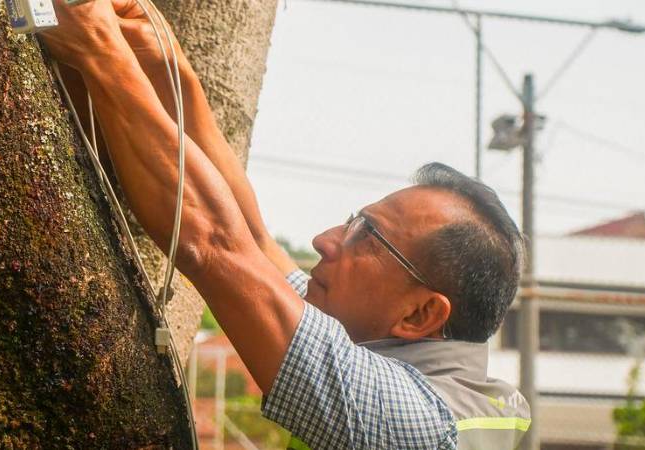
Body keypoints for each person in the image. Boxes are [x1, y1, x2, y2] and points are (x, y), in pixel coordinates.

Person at [39, 2, 532, 449]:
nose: (324, 241)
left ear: (421, 314)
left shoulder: (416, 428)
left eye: (367, 236)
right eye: (353, 222)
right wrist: (163, 60)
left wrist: (100, 50)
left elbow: (215, 245)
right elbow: (254, 243)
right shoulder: (422, 366)